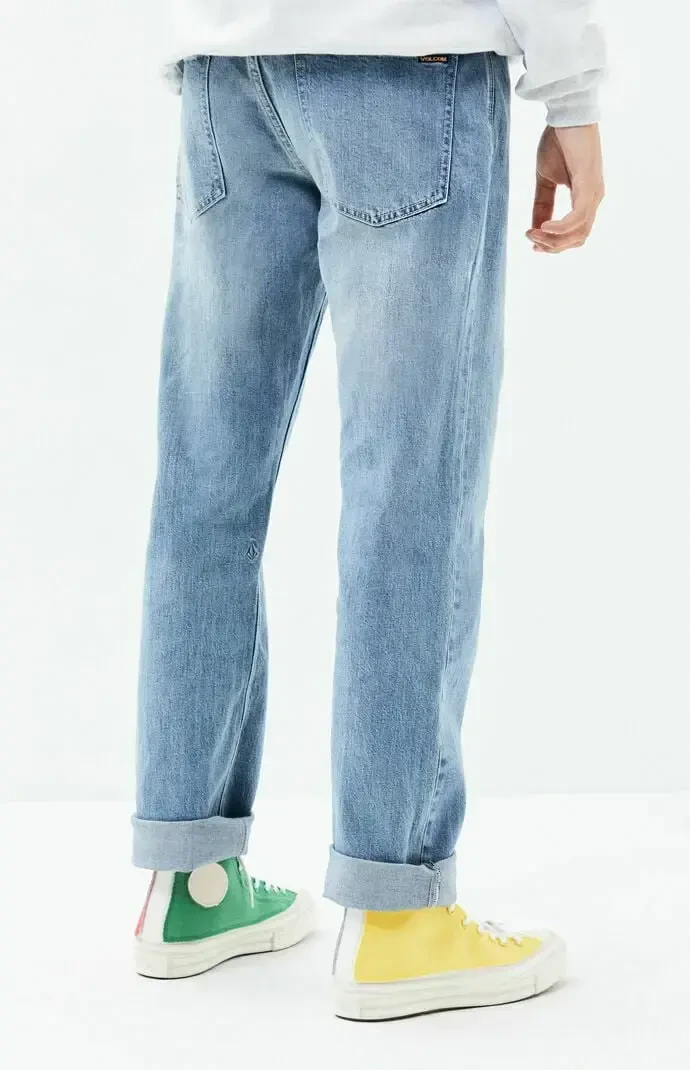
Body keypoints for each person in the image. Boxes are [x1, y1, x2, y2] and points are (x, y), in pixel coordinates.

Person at [132, 0, 606, 1020]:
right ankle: (399, 916)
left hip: (227, 71)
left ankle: (191, 882)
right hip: (405, 66)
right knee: (410, 488)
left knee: (206, 484)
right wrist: (571, 91)